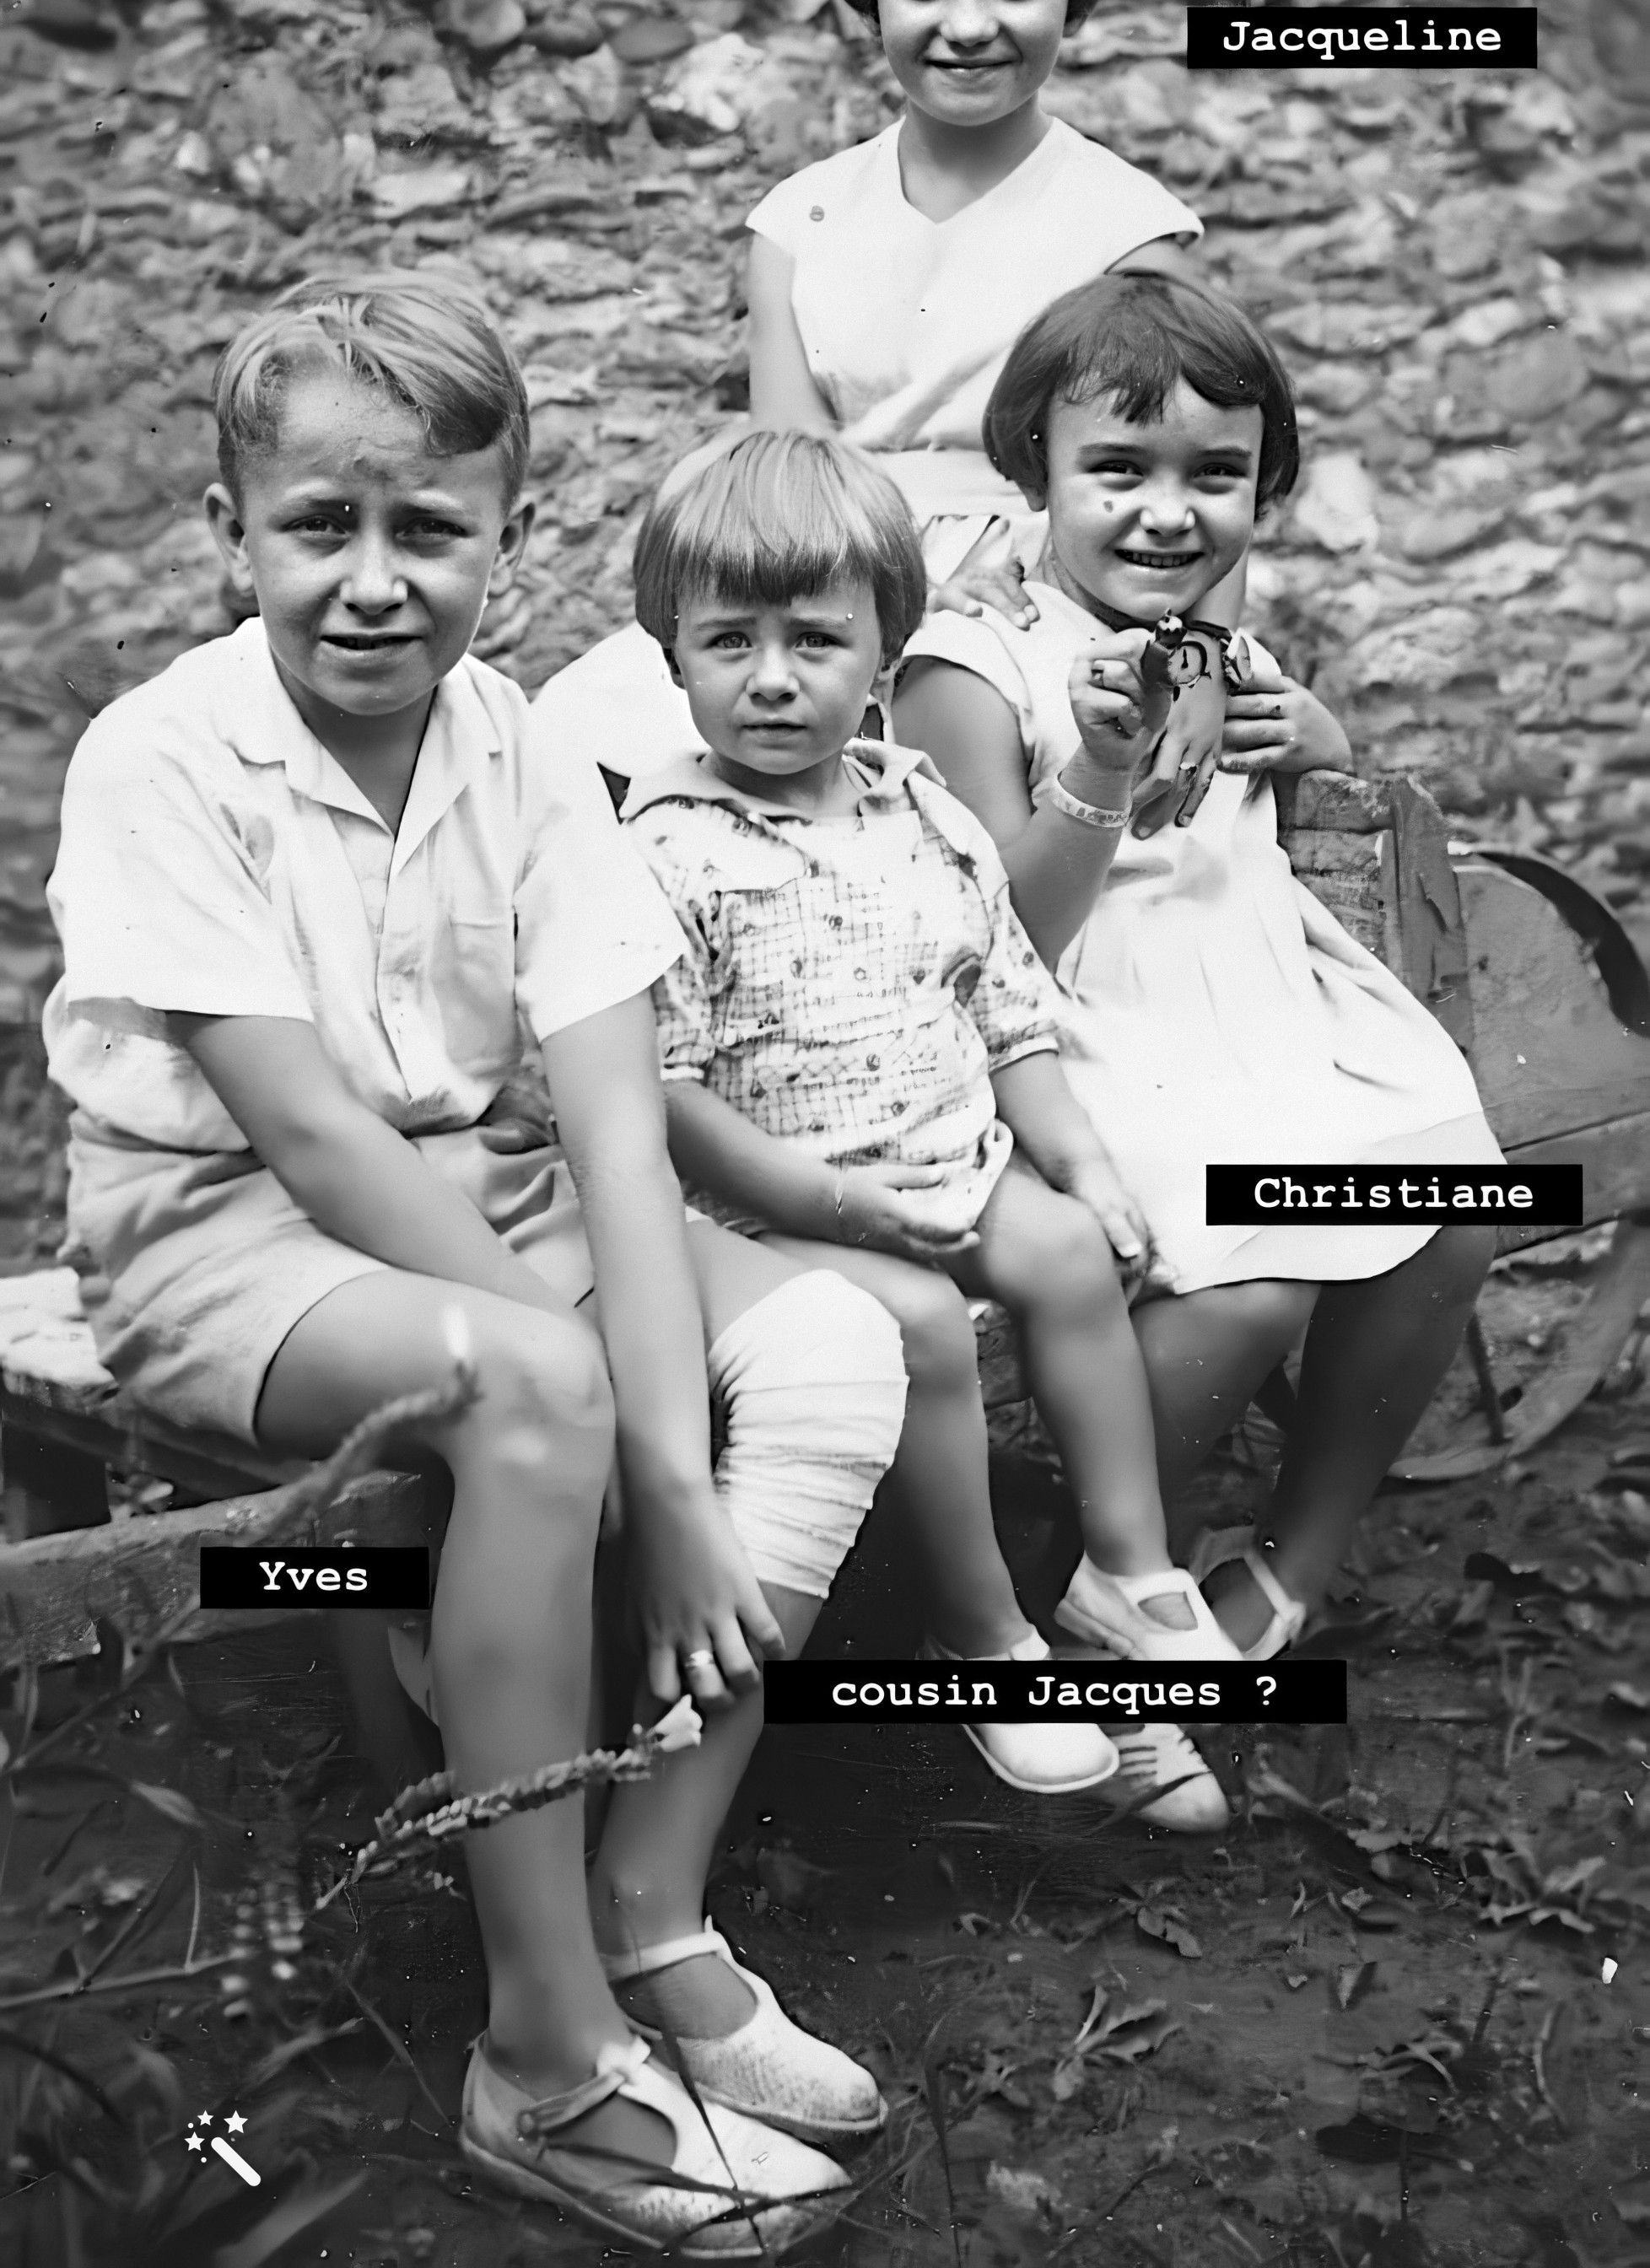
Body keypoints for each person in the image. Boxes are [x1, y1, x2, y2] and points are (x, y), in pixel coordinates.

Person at [41, 272, 920, 2255]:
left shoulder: (513, 745)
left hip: (478, 1194)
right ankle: (544, 2055)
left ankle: (649, 1911)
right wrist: (631, 1444)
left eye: (429, 529)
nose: (374, 581)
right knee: (534, 1398)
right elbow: (311, 1140)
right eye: (317, 527)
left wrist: (675, 1473)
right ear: (229, 533)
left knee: (836, 1343)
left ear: (508, 544)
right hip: (221, 1231)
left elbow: (611, 1124)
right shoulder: (161, 755)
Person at [620, 428, 1242, 1834]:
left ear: (885, 654)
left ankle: (1128, 1571)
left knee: (1071, 1250)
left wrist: (1079, 1160)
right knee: (917, 1328)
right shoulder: (667, 847)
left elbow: (1007, 1010)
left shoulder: (924, 813)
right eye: (728, 640)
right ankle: (985, 1632)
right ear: (671, 654)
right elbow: (665, 1089)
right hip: (773, 1210)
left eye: (815, 640)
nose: (771, 677)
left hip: (950, 1158)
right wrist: (830, 1206)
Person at [894, 271, 1503, 1662]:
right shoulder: (972, 662)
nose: (1168, 512)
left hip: (1262, 996)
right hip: (1081, 1029)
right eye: (1118, 468)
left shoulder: (1214, 643)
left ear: (1259, 484)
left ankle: (1294, 1561)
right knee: (1248, 1283)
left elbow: (1282, 808)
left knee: (1453, 1208)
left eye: (1214, 475)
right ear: (1034, 466)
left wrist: (1317, 742)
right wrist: (1100, 773)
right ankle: (1097, 1576)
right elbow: (998, 940)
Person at [537, 0, 1232, 832]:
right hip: (836, 581)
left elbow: (1202, 473)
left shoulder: (1125, 228)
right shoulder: (801, 222)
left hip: (1044, 590)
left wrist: (1205, 661)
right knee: (588, 716)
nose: (969, 24)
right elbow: (788, 479)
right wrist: (885, 595)